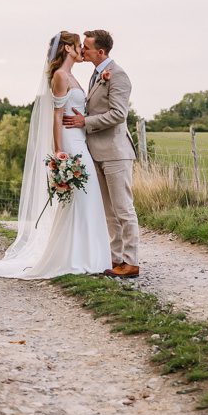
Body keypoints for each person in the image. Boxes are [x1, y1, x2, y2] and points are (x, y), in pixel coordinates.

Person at [0, 31, 111, 280]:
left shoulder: (72, 76)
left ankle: (89, 255)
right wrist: (59, 150)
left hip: (80, 139)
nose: (81, 51)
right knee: (82, 197)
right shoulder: (60, 76)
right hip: (69, 142)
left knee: (87, 197)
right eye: (77, 46)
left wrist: (105, 79)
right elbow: (56, 116)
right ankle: (75, 257)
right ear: (66, 49)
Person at [63, 29, 140, 278]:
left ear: (101, 52)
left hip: (116, 152)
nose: (82, 50)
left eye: (86, 47)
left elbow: (119, 114)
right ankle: (116, 258)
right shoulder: (96, 76)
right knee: (109, 211)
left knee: (123, 209)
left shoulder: (118, 76)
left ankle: (131, 261)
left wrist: (85, 122)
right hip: (97, 151)